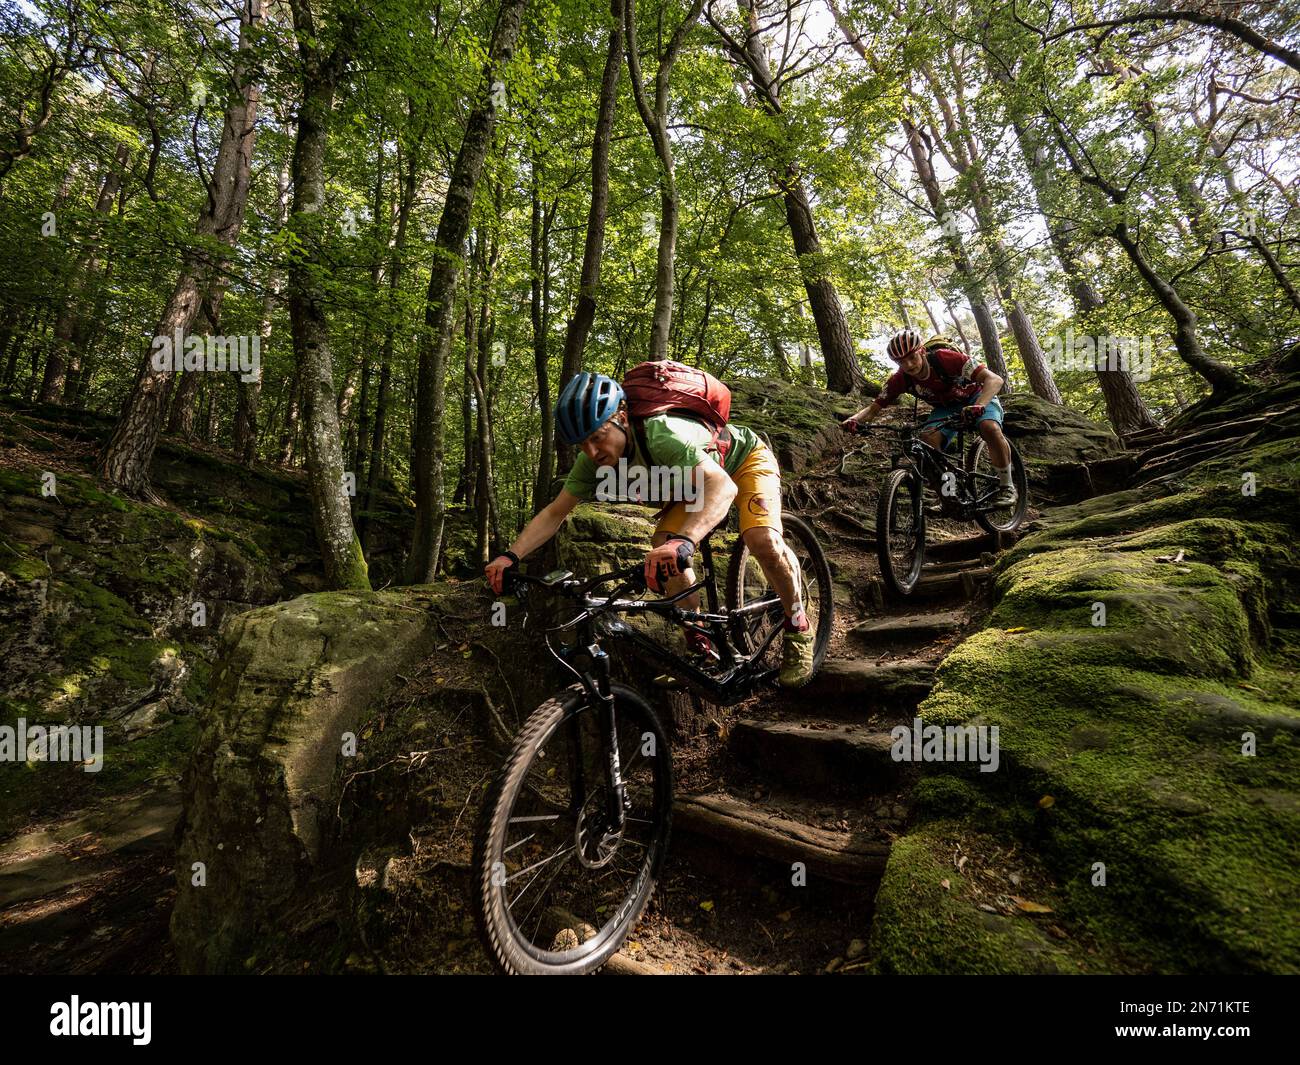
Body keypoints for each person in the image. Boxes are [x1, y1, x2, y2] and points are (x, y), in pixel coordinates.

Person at [484, 371, 817, 688]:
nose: (592, 452)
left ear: (623, 419)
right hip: (693, 483)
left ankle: (798, 625)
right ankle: (699, 643)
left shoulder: (661, 434)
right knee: (663, 547)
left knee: (760, 539)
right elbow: (555, 513)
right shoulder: (593, 461)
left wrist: (685, 540)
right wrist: (511, 556)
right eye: (582, 445)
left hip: (742, 462)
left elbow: (723, 488)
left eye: (598, 438)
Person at [840, 328, 1017, 507]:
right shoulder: (900, 379)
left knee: (989, 427)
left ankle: (1006, 485)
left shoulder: (946, 358)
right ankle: (950, 494)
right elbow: (873, 409)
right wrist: (853, 420)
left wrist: (980, 404)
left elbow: (994, 380)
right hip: (946, 408)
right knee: (927, 439)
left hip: (977, 397)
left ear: (922, 351)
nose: (908, 365)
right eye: (901, 362)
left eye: (912, 357)